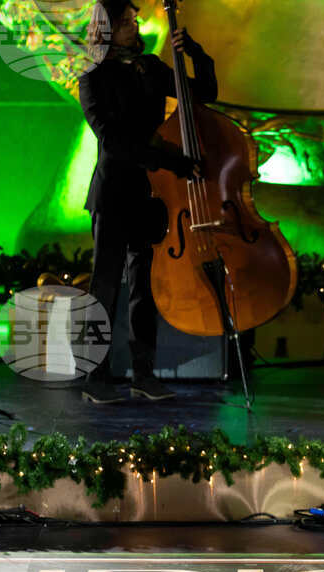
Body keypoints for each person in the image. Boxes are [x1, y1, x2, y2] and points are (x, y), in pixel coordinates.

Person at [79, 0, 217, 403]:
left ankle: (144, 373)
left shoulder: (152, 67)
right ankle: (95, 377)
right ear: (106, 28)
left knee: (146, 287)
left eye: (134, 20)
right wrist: (172, 161)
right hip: (113, 192)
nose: (134, 26)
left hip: (151, 193)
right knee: (105, 287)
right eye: (125, 22)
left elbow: (202, 94)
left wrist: (194, 52)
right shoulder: (92, 75)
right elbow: (114, 142)